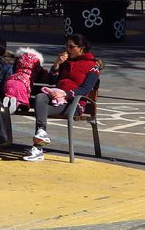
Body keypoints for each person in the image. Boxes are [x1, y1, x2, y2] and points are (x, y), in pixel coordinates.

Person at [23, 33, 101, 161]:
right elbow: (51, 81)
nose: (67, 50)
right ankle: (41, 135)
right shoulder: (66, 62)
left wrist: (65, 93)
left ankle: (37, 148)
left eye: (71, 47)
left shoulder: (93, 66)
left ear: (81, 48)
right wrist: (57, 65)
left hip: (74, 104)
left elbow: (86, 89)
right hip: (55, 98)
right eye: (66, 46)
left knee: (41, 110)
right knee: (40, 97)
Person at [2, 47, 44, 113]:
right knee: (22, 100)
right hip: (22, 83)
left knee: (10, 94)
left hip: (10, 81)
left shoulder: (19, 58)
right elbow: (41, 75)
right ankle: (16, 103)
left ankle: (9, 100)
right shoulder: (36, 62)